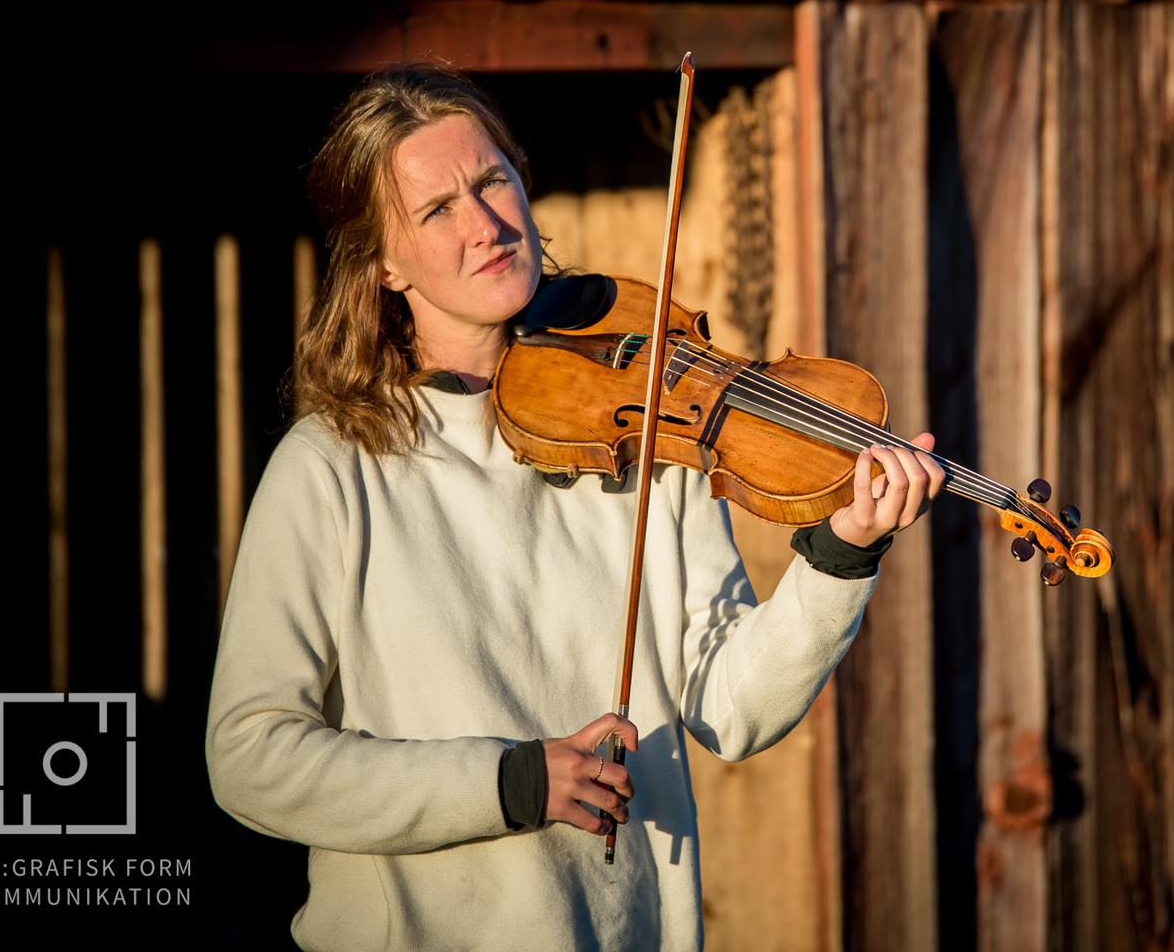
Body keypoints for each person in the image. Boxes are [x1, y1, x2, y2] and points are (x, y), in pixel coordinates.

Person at [204, 63, 945, 951]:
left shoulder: (638, 426)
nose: (484, 224)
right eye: (437, 210)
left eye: (492, 181)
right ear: (384, 263)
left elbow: (732, 707)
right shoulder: (332, 469)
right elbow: (248, 755)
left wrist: (843, 549)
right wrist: (509, 782)